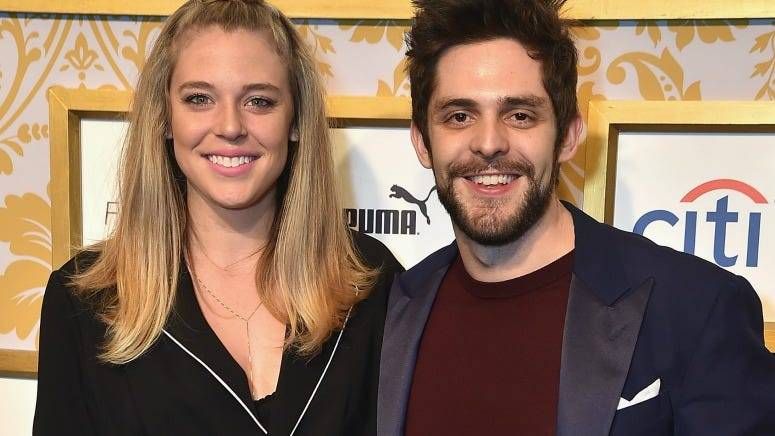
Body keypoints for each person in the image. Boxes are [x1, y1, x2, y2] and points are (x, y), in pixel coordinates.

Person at [378, 0, 775, 435]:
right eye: (459, 116)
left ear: (568, 135)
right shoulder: (389, 310)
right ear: (422, 142)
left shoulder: (698, 308)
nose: (489, 142)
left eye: (520, 115)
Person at [33, 1, 401, 435]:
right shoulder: (84, 303)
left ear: (296, 120)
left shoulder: (370, 284)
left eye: (259, 101)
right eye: (199, 99)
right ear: (165, 118)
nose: (230, 126)